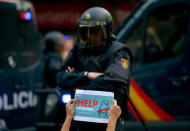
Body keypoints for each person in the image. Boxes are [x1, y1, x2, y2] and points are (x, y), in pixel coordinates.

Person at [57, 7, 132, 131]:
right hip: (80, 118)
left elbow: (115, 81)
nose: (89, 36)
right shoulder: (79, 50)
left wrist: (78, 83)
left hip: (107, 120)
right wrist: (87, 75)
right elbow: (60, 78)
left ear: (106, 31)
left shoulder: (119, 51)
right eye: (85, 31)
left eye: (95, 31)